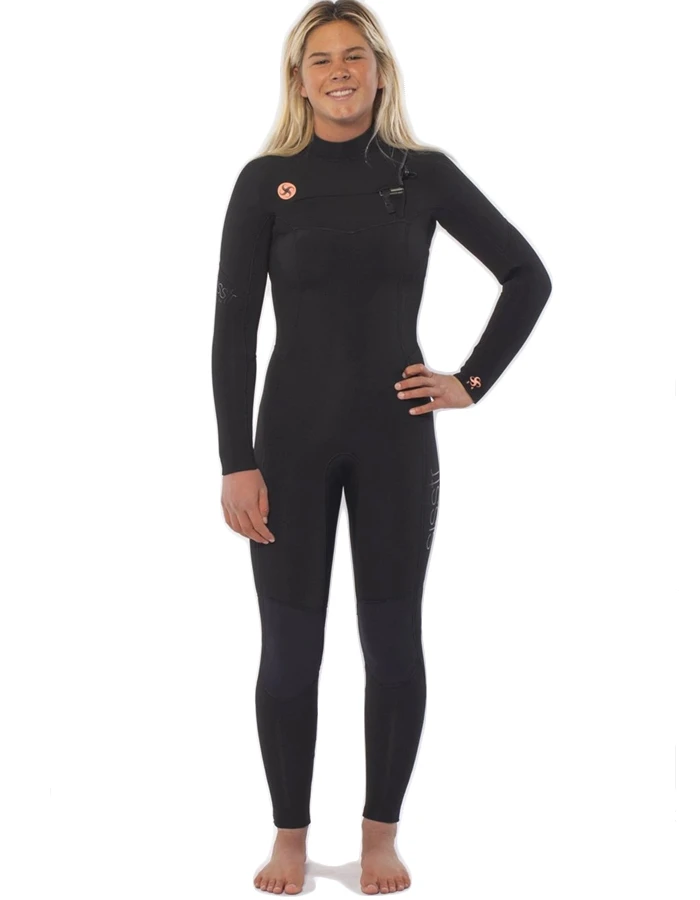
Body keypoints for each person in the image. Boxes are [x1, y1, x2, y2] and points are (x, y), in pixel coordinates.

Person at [211, 2, 552, 894]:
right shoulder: (266, 181)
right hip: (287, 449)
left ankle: (379, 836)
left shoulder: (421, 174)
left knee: (394, 642)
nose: (339, 70)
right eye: (320, 59)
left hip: (396, 446)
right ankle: (290, 836)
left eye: (354, 56)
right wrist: (235, 459)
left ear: (379, 69)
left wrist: (471, 380)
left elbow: (527, 275)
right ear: (298, 79)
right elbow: (233, 328)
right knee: (290, 650)